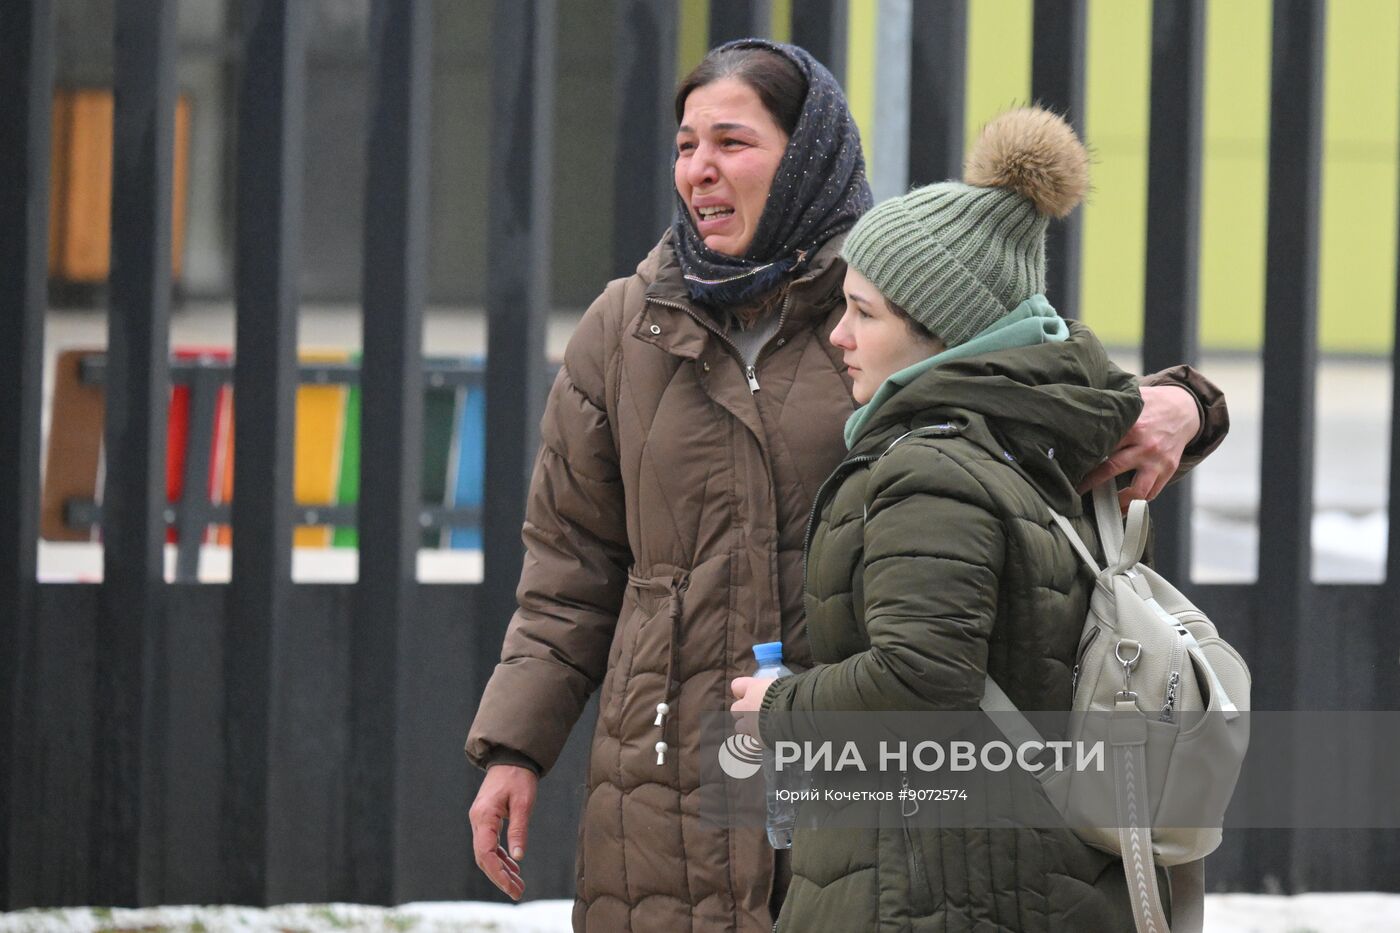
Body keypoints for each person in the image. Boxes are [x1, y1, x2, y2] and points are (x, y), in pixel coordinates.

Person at [467, 40, 1225, 933]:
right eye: (685, 146)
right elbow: (571, 565)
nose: (699, 171)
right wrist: (515, 748)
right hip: (666, 784)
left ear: (808, 154)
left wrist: (1185, 404)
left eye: (732, 142)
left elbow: (1046, 379)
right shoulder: (622, 330)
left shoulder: (890, 305)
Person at [730, 106, 1162, 931]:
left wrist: (776, 708)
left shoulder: (928, 471)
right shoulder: (1031, 448)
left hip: (925, 885)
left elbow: (922, 681)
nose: (838, 335)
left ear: (946, 334)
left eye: (865, 312)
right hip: (1011, 869)